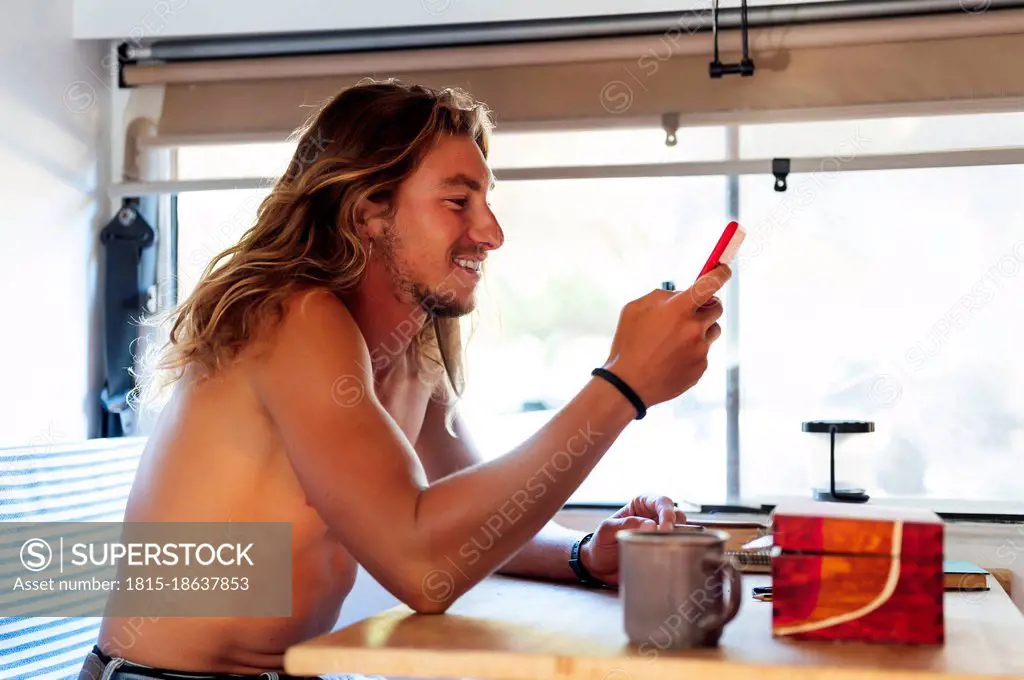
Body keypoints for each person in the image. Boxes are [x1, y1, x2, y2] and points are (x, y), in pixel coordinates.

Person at [80, 79, 730, 680]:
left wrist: (584, 554)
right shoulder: (294, 316)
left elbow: (470, 520)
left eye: (487, 201)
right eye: (458, 201)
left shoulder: (409, 342)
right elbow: (424, 566)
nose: (491, 233)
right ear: (370, 212)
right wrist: (622, 386)